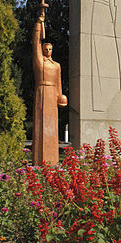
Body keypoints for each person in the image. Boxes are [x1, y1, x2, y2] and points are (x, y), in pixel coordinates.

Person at [32, 11, 67, 166]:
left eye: (50, 49)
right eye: (46, 49)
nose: (48, 51)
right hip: (42, 91)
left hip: (53, 94)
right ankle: (40, 161)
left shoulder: (56, 65)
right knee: (41, 124)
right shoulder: (40, 62)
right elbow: (35, 43)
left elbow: (59, 82)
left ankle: (52, 160)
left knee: (52, 125)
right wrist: (39, 24)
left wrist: (61, 96)